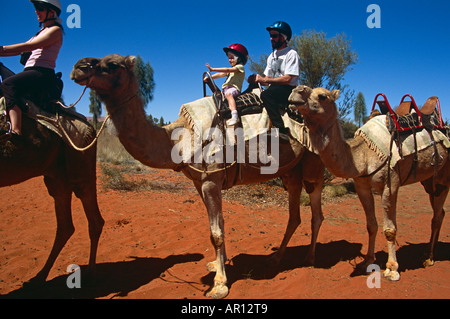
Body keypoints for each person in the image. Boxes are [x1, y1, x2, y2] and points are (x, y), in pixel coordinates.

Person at [0, 0, 63, 137]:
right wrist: (2, 52)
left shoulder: (56, 30)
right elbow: (18, 51)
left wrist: (2, 49)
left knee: (8, 84)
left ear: (51, 12)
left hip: (42, 74)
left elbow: (28, 46)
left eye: (40, 8)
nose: (36, 11)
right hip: (31, 73)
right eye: (36, 7)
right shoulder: (40, 32)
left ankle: (16, 131)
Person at [251, 21, 299, 141]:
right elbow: (267, 80)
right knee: (252, 92)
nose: (271, 38)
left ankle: (281, 131)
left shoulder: (291, 54)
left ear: (284, 37)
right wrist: (257, 80)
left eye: (275, 36)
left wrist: (266, 80)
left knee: (266, 95)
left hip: (288, 89)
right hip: (274, 89)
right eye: (271, 36)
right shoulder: (271, 57)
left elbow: (288, 78)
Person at [205, 43, 248, 126]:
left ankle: (235, 116)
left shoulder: (239, 67)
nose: (230, 60)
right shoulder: (232, 70)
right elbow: (221, 74)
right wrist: (210, 77)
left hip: (234, 89)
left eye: (232, 58)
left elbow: (226, 69)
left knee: (228, 94)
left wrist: (213, 69)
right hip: (225, 89)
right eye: (229, 58)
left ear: (239, 59)